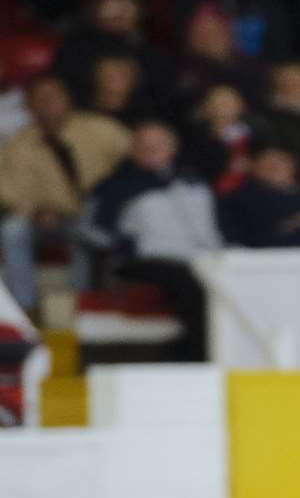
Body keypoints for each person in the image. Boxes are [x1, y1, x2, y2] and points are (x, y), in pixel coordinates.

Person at [81, 120, 223, 361]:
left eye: (157, 144)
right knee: (188, 282)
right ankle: (197, 354)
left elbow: (215, 226)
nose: (150, 150)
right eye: (143, 145)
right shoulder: (115, 185)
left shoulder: (194, 181)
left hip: (205, 257)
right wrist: (120, 244)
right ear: (133, 149)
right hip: (145, 260)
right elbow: (88, 228)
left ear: (172, 148)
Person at [0, 76, 130, 310]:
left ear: (68, 99)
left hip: (94, 215)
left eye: (54, 96)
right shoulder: (18, 144)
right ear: (28, 106)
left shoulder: (103, 130)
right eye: (40, 98)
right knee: (12, 230)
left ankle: (78, 307)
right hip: (42, 218)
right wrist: (36, 211)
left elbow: (133, 164)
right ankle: (24, 308)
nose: (48, 103)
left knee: (84, 232)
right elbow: (7, 188)